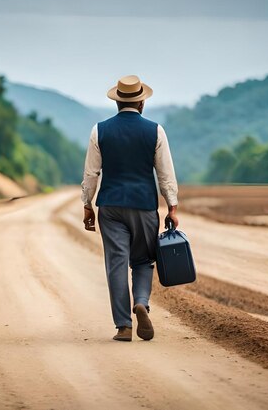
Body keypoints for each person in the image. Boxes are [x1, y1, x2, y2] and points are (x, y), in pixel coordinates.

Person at [81, 75, 179, 342]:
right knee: (143, 261)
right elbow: (165, 174)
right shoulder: (155, 131)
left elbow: (91, 174)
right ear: (142, 103)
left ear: (116, 103)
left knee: (116, 264)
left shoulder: (99, 130)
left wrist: (87, 204)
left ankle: (123, 326)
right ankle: (142, 303)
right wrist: (171, 206)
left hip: (110, 206)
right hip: (144, 206)